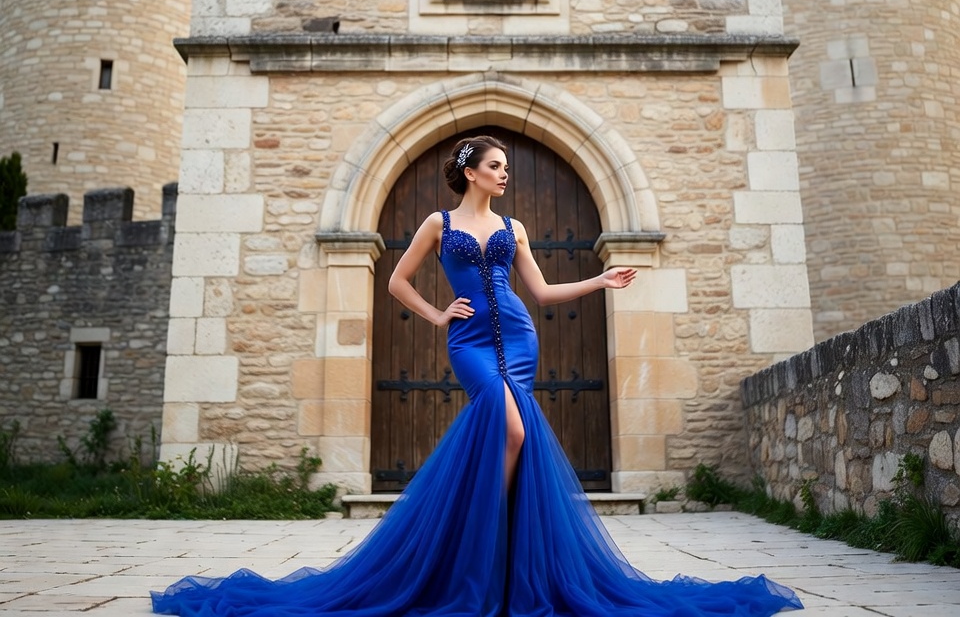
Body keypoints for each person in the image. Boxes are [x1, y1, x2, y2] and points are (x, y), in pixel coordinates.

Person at [152, 135, 802, 616]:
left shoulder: (514, 227)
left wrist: (601, 279)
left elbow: (541, 293)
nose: (504, 175)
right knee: (512, 431)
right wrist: (438, 313)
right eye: (495, 166)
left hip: (519, 337)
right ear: (468, 171)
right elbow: (397, 281)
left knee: (512, 431)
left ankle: (489, 546)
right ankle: (480, 541)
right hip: (468, 341)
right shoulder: (440, 223)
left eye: (506, 169)